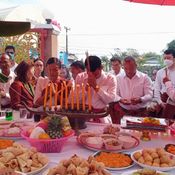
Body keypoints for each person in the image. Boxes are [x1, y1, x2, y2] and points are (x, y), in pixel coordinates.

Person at [110, 56, 153, 124]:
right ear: (123, 67)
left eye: (131, 68)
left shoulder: (145, 78)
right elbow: (114, 94)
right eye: (126, 69)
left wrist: (140, 99)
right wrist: (120, 99)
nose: (129, 71)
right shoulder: (118, 78)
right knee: (123, 133)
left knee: (139, 133)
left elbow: (150, 95)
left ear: (136, 66)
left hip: (140, 112)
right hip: (123, 111)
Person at [75, 55, 117, 123]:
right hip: (83, 116)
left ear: (101, 67)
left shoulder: (110, 78)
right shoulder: (80, 77)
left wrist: (95, 87)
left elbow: (110, 99)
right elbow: (76, 99)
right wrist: (86, 88)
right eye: (88, 71)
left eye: (95, 73)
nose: (91, 74)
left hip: (102, 116)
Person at [154, 49, 175, 119]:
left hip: (173, 102)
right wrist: (159, 102)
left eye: (168, 58)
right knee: (162, 126)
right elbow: (156, 88)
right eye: (164, 58)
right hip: (162, 102)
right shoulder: (160, 72)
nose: (166, 60)